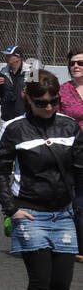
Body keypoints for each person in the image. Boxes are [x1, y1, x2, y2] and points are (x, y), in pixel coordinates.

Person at [0, 71, 83, 290]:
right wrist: (11, 208)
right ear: (27, 100)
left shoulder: (69, 125)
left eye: (54, 101)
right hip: (30, 212)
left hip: (64, 212)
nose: (49, 107)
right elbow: (1, 170)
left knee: (62, 284)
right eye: (41, 102)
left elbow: (80, 168)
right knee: (40, 280)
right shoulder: (16, 129)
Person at [56, 46, 83, 265]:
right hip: (71, 152)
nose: (75, 66)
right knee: (73, 198)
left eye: (80, 63)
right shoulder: (63, 90)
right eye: (72, 63)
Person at [0, 44, 28, 132]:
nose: (6, 57)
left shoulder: (30, 72)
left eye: (9, 55)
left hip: (24, 118)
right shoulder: (3, 71)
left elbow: (37, 94)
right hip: (6, 118)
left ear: (18, 58)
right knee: (4, 145)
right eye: (6, 55)